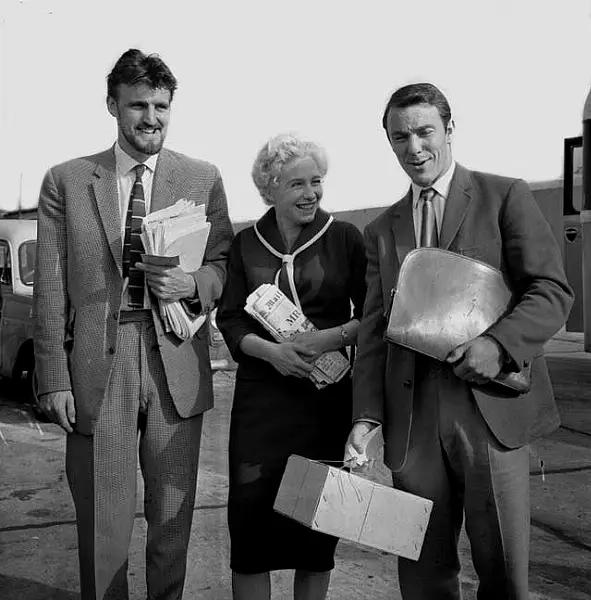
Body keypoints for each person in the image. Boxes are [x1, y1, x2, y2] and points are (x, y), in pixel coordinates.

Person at [348, 83, 573, 600]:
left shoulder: (503, 196)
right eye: (399, 137)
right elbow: (374, 332)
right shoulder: (381, 229)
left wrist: (498, 345)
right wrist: (366, 417)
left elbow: (551, 291)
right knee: (423, 577)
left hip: (488, 412)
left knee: (503, 574)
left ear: (450, 129)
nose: (414, 148)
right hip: (413, 423)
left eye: (425, 131)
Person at [33, 49, 234, 600]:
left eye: (162, 106)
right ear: (112, 106)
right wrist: (52, 375)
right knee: (104, 522)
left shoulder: (202, 177)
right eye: (138, 105)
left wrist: (194, 286)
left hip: (176, 354)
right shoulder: (69, 182)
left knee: (173, 518)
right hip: (102, 357)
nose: (151, 117)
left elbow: (223, 265)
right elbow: (50, 288)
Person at [216, 133, 367, 600]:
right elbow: (231, 317)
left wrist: (330, 337)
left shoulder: (344, 238)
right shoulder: (245, 244)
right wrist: (273, 353)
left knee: (315, 529)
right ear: (271, 188)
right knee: (250, 519)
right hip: (262, 402)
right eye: (297, 184)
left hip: (324, 405)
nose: (310, 193)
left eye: (316, 182)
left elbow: (373, 315)